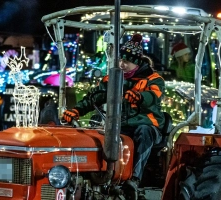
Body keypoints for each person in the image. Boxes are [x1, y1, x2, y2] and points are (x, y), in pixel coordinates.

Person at [62, 34, 165, 199]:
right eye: (120, 61)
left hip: (146, 123)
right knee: (95, 134)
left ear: (137, 63)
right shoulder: (112, 79)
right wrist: (76, 111)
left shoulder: (154, 80)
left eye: (127, 62)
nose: (122, 65)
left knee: (144, 132)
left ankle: (134, 180)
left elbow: (154, 96)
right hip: (118, 125)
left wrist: (140, 98)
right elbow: (94, 97)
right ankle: (98, 179)